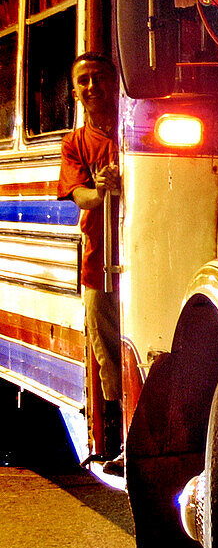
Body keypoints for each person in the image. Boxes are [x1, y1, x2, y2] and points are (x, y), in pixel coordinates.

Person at [58, 52, 124, 477]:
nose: (91, 87)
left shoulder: (134, 127)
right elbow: (79, 196)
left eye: (98, 77)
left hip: (143, 259)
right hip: (99, 266)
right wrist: (99, 192)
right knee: (110, 358)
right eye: (82, 81)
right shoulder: (76, 142)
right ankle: (121, 444)